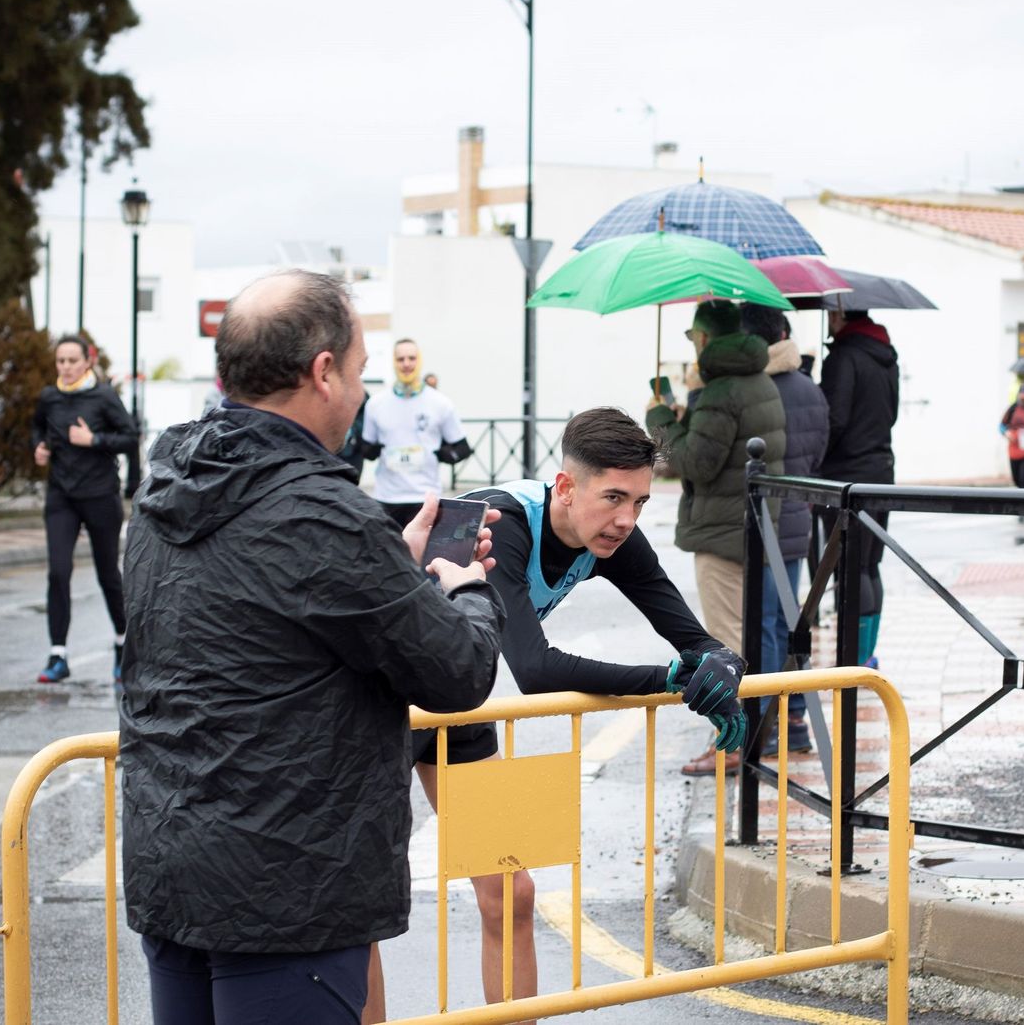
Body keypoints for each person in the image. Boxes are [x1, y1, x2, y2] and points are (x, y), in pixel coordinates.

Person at [120, 269, 505, 1024]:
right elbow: (458, 671)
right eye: (360, 371)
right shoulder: (325, 514)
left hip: (173, 867)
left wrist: (389, 559)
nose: (362, 392)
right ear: (323, 372)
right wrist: (460, 585)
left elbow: (261, 623)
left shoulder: (165, 487)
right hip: (287, 891)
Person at [364, 405, 748, 1021]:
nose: (626, 520)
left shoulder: (608, 531)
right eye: (614, 497)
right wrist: (673, 681)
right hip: (370, 707)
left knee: (512, 893)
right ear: (566, 488)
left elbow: (691, 635)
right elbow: (535, 668)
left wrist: (722, 666)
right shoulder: (504, 523)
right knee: (363, 913)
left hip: (449, 700)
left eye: (642, 503)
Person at [647, 299, 785, 776]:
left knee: (725, 642)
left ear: (704, 339)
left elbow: (695, 463)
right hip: (752, 525)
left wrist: (661, 420)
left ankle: (732, 746)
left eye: (692, 337)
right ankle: (751, 740)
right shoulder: (759, 380)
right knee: (746, 635)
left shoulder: (723, 389)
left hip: (723, 531)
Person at [740, 304, 828, 756]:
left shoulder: (756, 389)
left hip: (764, 520)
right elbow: (818, 452)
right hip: (798, 516)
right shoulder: (809, 388)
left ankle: (767, 725)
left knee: (763, 624)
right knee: (786, 620)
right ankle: (794, 724)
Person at [31, 335, 139, 684]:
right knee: (57, 572)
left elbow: (129, 437)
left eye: (72, 361)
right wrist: (40, 448)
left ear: (87, 361)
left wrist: (93, 440)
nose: (65, 367)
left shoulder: (104, 396)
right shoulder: (50, 397)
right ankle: (57, 654)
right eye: (60, 361)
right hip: (62, 495)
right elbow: (37, 427)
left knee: (107, 572)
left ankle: (123, 645)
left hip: (99, 494)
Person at [819, 308, 899, 666]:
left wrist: (818, 459)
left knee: (849, 566)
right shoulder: (886, 357)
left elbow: (834, 419)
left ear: (839, 314)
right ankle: (867, 653)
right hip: (882, 470)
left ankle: (854, 658)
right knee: (869, 564)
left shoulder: (843, 356)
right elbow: (892, 413)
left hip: (846, 475)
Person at [361, 338, 473, 526]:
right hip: (387, 498)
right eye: (400, 359)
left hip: (425, 497)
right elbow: (366, 446)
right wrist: (371, 451)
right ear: (393, 362)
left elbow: (463, 448)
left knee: (422, 556)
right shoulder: (375, 404)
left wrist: (446, 455)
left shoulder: (440, 403)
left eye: (411, 358)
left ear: (419, 361)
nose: (406, 364)